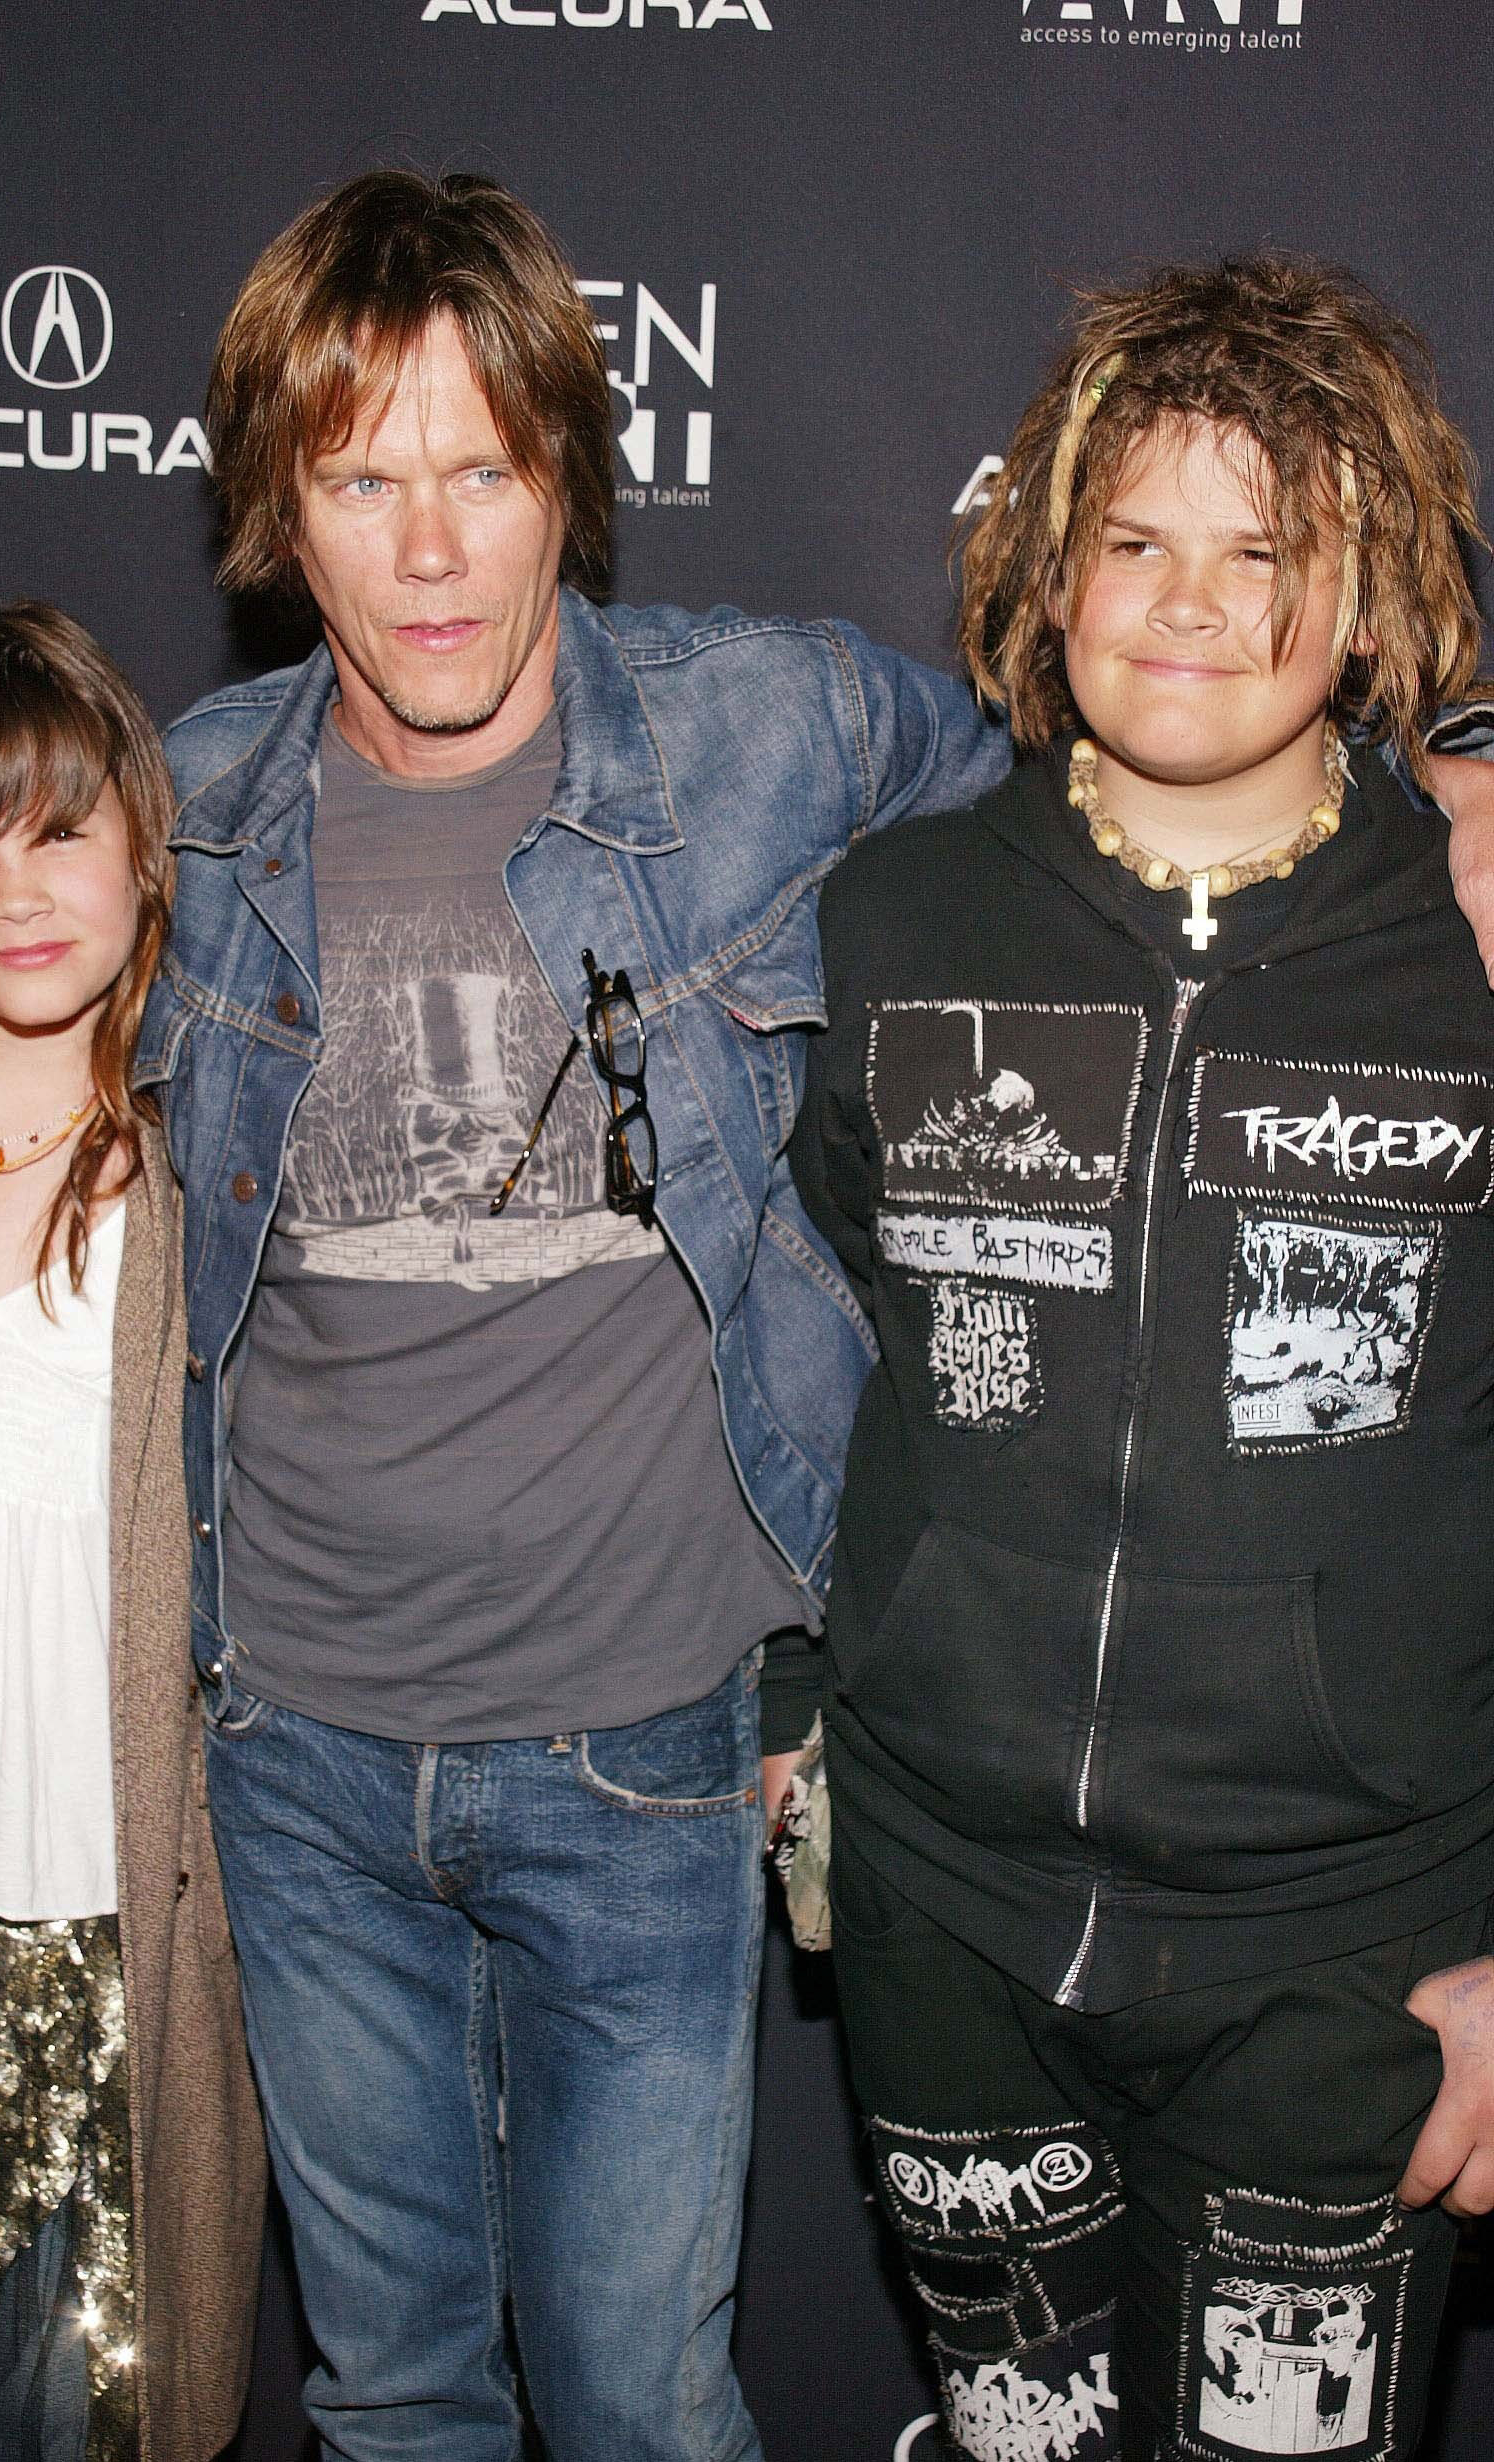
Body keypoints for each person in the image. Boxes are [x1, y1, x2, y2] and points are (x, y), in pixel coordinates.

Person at [145, 172, 1494, 2461]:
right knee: (392, 2388)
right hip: (358, 1771)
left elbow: (1187, 757)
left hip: (691, 1775)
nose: (435, 546)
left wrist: (1456, 757)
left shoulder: (769, 733)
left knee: (648, 2395)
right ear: (280, 511)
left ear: (573, 474)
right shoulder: (179, 822)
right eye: (366, 479)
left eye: (485, 467)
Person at [789, 254, 1494, 2462]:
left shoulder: (1470, 950)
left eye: (1257, 553)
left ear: (1366, 601)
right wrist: (805, 1712)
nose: (1182, 605)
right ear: (1046, 565)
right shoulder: (894, 919)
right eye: (1130, 541)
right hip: (940, 1931)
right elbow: (815, 1343)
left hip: (1347, 1956)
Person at [0, 605, 265, 2462]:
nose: (16, 890)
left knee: (66, 2417)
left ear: (141, 843)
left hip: (90, 1912)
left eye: (61, 827)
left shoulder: (218, 1167)